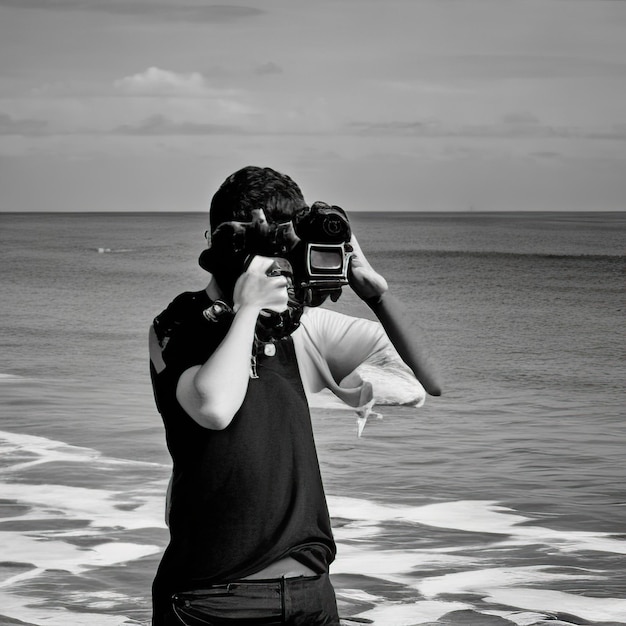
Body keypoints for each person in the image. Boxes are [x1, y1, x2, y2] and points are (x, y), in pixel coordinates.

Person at [149, 166, 442, 626]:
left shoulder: (299, 329)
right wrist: (247, 309)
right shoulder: (180, 324)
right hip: (212, 601)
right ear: (228, 245)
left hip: (310, 597)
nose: (283, 271)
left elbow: (425, 380)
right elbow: (214, 407)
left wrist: (377, 295)